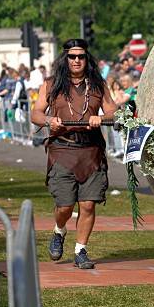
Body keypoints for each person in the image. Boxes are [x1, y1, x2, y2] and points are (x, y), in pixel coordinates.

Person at [31, 38, 117, 270]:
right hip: (62, 149)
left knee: (88, 204)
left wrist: (102, 118)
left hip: (91, 151)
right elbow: (36, 113)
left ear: (86, 58)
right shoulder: (51, 84)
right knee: (65, 206)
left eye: (80, 56)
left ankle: (81, 250)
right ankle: (59, 230)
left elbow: (113, 112)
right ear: (65, 58)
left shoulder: (98, 85)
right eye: (72, 56)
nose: (76, 60)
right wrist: (50, 120)